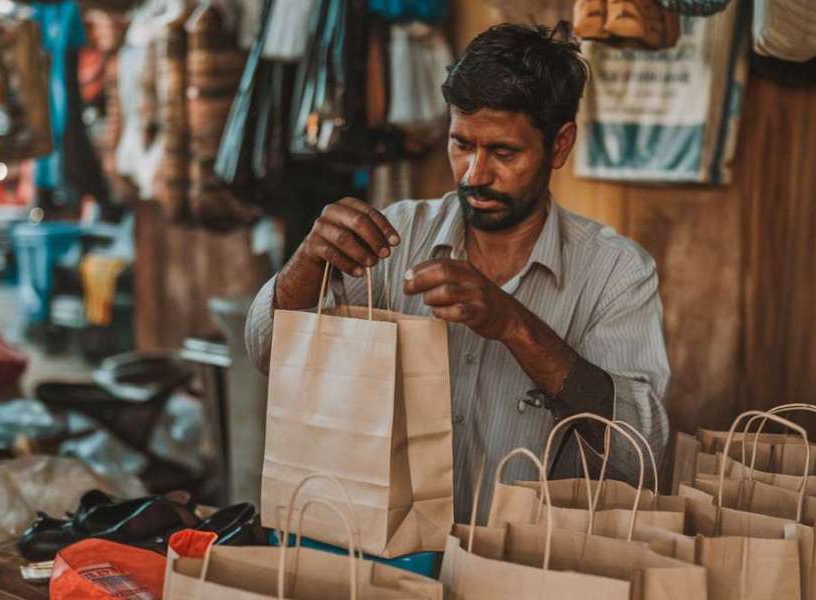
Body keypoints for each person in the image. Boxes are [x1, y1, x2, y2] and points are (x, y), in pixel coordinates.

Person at [246, 23, 670, 521]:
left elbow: (639, 447)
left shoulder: (617, 272)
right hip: (382, 560)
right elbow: (268, 353)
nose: (475, 174)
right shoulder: (394, 238)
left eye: (504, 153)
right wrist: (306, 262)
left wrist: (513, 325)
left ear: (559, 145)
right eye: (462, 144)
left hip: (527, 569)